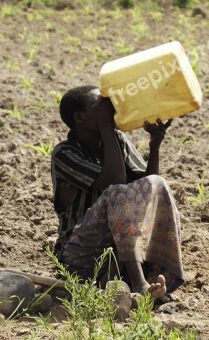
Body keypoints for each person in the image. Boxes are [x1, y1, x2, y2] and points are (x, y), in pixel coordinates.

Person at [50, 85, 184, 300]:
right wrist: (107, 126)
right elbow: (115, 183)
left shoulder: (115, 141)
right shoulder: (64, 153)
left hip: (114, 253)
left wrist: (155, 146)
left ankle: (152, 278)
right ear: (80, 118)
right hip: (81, 258)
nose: (109, 109)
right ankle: (138, 283)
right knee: (117, 193)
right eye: (100, 105)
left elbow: (146, 189)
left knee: (158, 184)